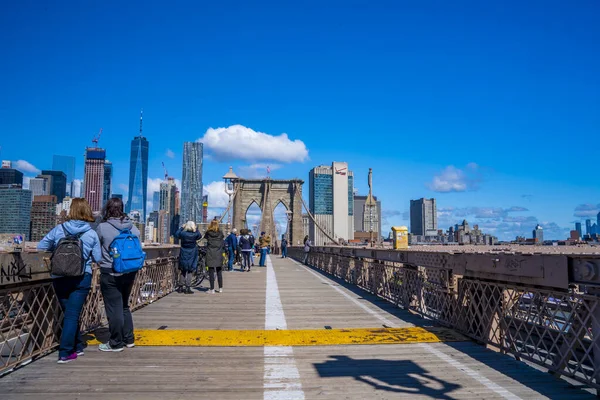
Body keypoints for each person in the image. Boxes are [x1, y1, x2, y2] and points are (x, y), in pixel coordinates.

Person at [38, 198, 102, 364]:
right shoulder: (91, 233)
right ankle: (65, 353)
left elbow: (41, 246)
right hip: (82, 277)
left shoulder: (59, 229)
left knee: (70, 313)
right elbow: (98, 258)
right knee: (72, 315)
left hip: (59, 276)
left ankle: (77, 346)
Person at [95, 198, 141, 352]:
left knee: (114, 308)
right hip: (129, 271)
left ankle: (116, 343)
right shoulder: (133, 227)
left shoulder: (102, 227)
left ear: (107, 209)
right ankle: (129, 339)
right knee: (124, 306)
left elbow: (96, 252)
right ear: (122, 208)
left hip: (110, 272)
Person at [174, 221, 202, 294]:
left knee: (183, 269)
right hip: (192, 253)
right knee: (190, 270)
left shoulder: (183, 234)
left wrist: (182, 228)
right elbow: (200, 236)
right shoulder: (195, 234)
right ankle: (187, 287)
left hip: (183, 252)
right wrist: (196, 228)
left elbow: (176, 234)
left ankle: (180, 287)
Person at [204, 219, 225, 293]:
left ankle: (212, 289)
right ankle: (220, 288)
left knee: (211, 271)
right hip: (218, 253)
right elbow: (222, 240)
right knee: (219, 271)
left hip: (210, 253)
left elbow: (204, 238)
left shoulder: (208, 233)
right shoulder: (220, 233)